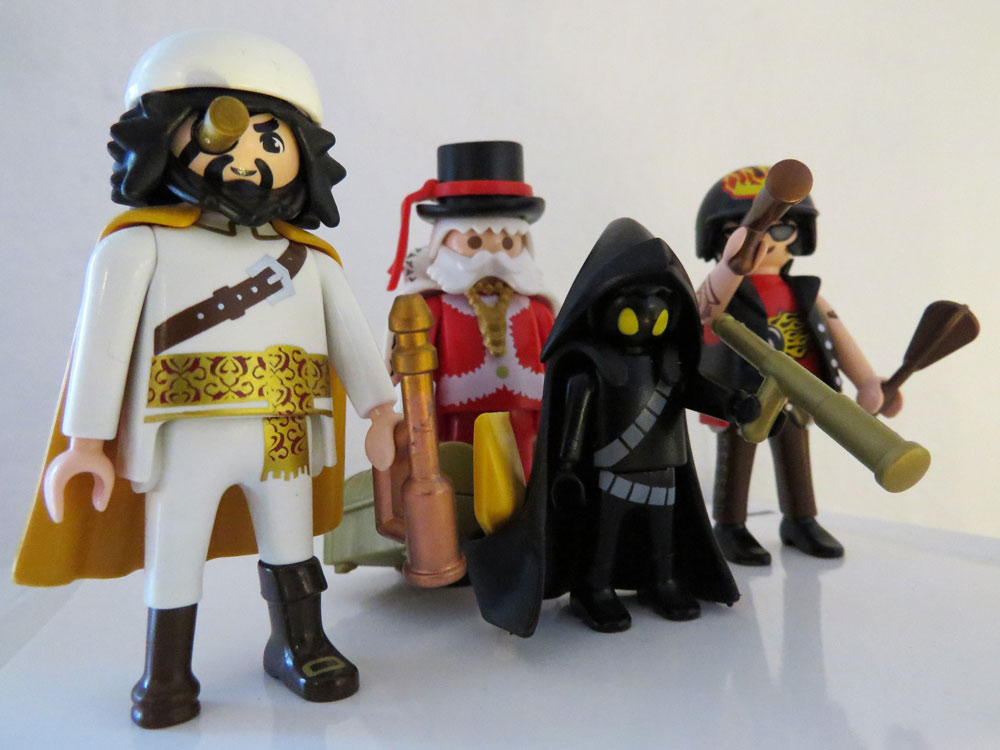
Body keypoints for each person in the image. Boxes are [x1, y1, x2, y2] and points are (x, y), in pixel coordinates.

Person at [13, 29, 397, 728]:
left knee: (291, 543)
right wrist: (86, 441)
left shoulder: (310, 259)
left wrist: (381, 412)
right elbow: (102, 347)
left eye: (270, 140)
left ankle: (300, 644)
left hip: (283, 424)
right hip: (184, 427)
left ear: (304, 155)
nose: (246, 160)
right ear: (164, 139)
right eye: (223, 135)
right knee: (176, 548)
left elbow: (351, 339)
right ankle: (166, 672)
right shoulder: (138, 245)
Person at [694, 165, 902, 566]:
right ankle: (729, 525)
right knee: (737, 456)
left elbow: (837, 333)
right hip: (742, 391)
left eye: (781, 229)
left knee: (796, 455)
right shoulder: (726, 287)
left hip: (801, 391)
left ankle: (800, 519)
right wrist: (732, 265)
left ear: (798, 235)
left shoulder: (804, 291)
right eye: (737, 231)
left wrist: (866, 380)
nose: (764, 241)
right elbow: (702, 311)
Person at [386, 141, 555, 476]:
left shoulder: (538, 309)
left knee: (525, 467)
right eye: (474, 241)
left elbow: (559, 356)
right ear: (442, 242)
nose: (492, 253)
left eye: (507, 242)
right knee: (460, 468)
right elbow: (406, 360)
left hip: (525, 409)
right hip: (459, 412)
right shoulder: (430, 307)